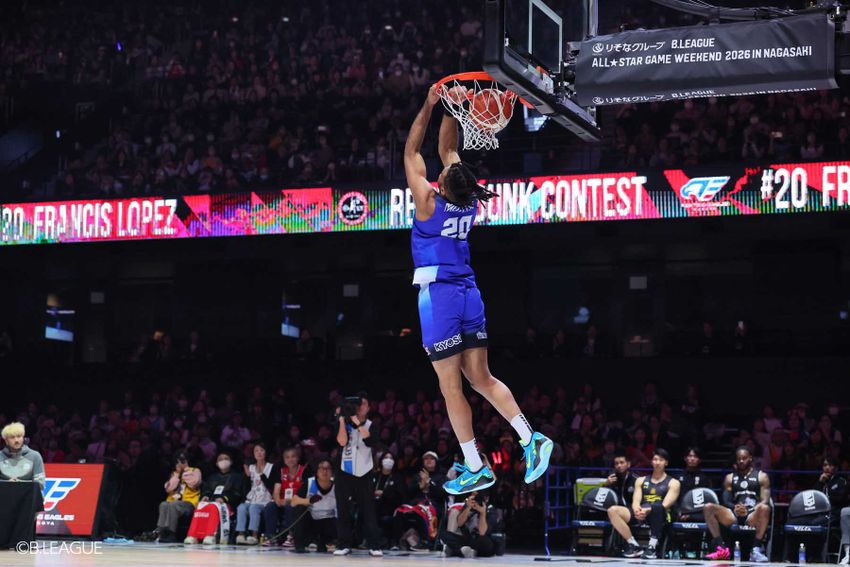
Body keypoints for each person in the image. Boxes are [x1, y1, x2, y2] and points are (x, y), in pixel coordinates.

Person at [403, 84, 553, 496]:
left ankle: (474, 466)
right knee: (481, 378)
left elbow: (412, 151)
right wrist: (452, 106)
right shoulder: (467, 198)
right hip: (469, 292)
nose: (441, 170)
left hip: (440, 296)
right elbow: (449, 149)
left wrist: (429, 104)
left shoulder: (429, 202)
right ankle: (531, 438)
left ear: (441, 185)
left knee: (451, 386)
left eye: (441, 174)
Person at [607, 448, 681, 558]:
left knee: (657, 506)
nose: (657, 462)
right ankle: (633, 545)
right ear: (651, 462)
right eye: (655, 459)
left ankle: (652, 546)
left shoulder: (674, 483)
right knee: (612, 510)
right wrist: (637, 510)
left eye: (661, 460)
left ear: (666, 463)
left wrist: (647, 510)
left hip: (661, 515)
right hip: (642, 513)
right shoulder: (641, 480)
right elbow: (636, 501)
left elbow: (665, 504)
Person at [334, 393, 382, 556]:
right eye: (358, 404)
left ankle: (374, 545)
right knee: (343, 509)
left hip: (365, 472)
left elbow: (370, 441)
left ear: (368, 408)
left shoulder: (371, 425)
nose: (360, 407)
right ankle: (343, 544)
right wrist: (342, 420)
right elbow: (342, 442)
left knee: (368, 510)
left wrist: (357, 423)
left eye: (363, 404)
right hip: (345, 472)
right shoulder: (345, 423)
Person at [703, 446, 771, 562]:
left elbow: (765, 500)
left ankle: (756, 549)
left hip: (752, 514)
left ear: (750, 458)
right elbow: (725, 500)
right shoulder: (729, 478)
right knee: (708, 507)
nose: (741, 461)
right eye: (739, 459)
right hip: (734, 513)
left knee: (765, 508)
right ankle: (721, 549)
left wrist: (748, 510)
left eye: (744, 458)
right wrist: (735, 508)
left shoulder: (762, 476)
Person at [184, 451, 244, 545]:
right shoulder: (212, 477)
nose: (223, 461)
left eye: (226, 459)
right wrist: (206, 496)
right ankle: (192, 535)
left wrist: (224, 498)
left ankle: (210, 535)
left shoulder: (237, 477)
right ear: (216, 463)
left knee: (213, 507)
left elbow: (237, 493)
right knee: (200, 506)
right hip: (212, 502)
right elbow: (207, 490)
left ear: (231, 461)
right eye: (220, 459)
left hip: (227, 504)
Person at [291, 459, 337, 554]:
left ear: (332, 472)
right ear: (317, 472)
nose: (324, 471)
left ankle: (329, 542)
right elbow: (293, 502)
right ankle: (299, 544)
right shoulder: (309, 483)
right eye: (322, 468)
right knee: (300, 508)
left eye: (327, 468)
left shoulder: (337, 485)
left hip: (329, 521)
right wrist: (309, 501)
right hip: (311, 520)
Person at [156, 451, 202, 543]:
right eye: (177, 462)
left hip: (189, 503)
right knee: (163, 504)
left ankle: (171, 533)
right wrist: (177, 475)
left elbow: (194, 484)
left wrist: (186, 470)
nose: (179, 464)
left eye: (181, 461)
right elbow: (169, 489)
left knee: (174, 505)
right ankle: (161, 532)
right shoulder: (174, 474)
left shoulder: (195, 471)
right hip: (173, 501)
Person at [235, 442, 275, 545]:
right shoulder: (251, 467)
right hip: (252, 498)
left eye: (261, 450)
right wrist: (247, 476)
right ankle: (241, 534)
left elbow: (271, 485)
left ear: (266, 452)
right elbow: (247, 486)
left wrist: (261, 473)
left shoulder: (271, 467)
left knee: (254, 508)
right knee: (241, 507)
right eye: (256, 451)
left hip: (265, 500)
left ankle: (254, 536)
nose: (259, 453)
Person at [264, 447, 305, 547]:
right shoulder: (281, 471)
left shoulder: (304, 470)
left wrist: (288, 501)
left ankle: (291, 536)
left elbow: (305, 491)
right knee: (270, 506)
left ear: (298, 458)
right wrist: (277, 500)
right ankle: (271, 537)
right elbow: (276, 490)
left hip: (298, 501)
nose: (290, 459)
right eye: (287, 457)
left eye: (293, 456)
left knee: (290, 507)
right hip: (283, 501)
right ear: (284, 459)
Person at [442, 491, 503, 558]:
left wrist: (482, 513)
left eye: (478, 497)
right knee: (444, 535)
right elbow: (459, 523)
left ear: (486, 499)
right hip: (468, 539)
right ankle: (466, 550)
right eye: (474, 496)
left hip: (483, 540)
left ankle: (457, 550)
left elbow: (482, 532)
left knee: (484, 542)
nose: (476, 499)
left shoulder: (490, 509)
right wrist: (468, 508)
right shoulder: (468, 505)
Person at [813, 457, 850, 563]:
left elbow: (839, 499)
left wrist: (827, 488)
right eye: (825, 465)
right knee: (804, 522)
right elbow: (813, 497)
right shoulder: (822, 482)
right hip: (821, 514)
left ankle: (816, 556)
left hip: (835, 514)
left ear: (836, 468)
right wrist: (820, 483)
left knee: (814, 524)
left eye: (830, 465)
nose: (827, 468)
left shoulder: (841, 482)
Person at [0, 422, 45, 487]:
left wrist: (19, 484)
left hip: (28, 493)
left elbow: (40, 483)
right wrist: (7, 484)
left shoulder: (35, 456)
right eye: (12, 437)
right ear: (6, 441)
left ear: (23, 438)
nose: (16, 440)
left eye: (19, 436)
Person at [676, 447, 713, 520]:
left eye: (695, 456)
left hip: (698, 511)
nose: (692, 459)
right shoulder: (678, 477)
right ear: (685, 458)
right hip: (681, 510)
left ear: (699, 460)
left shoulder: (704, 478)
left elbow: (707, 499)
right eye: (690, 456)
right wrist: (678, 511)